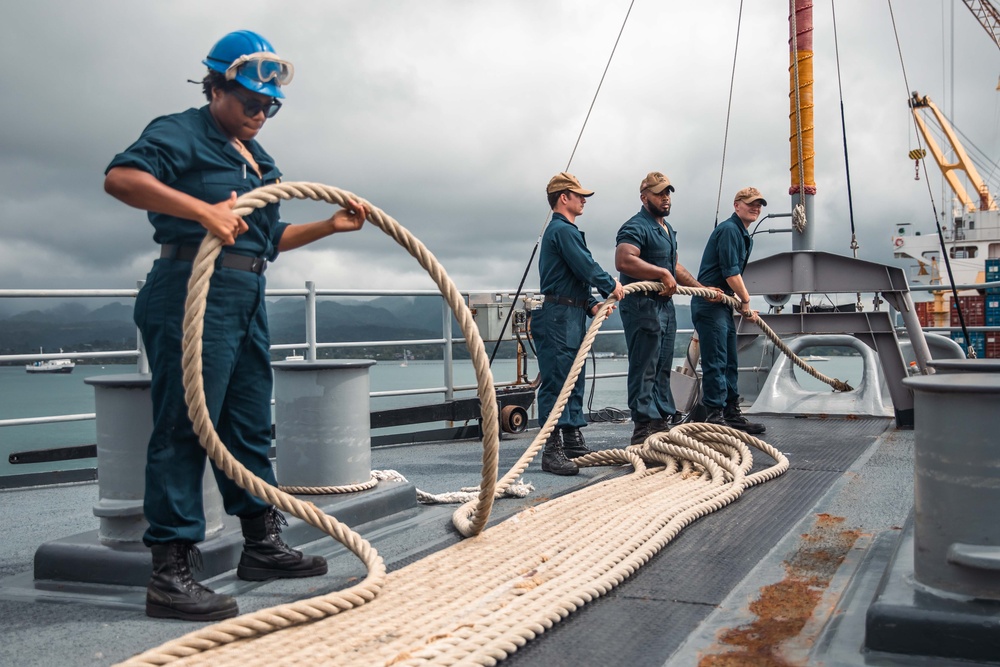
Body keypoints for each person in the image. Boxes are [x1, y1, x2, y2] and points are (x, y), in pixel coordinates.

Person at [103, 30, 368, 621]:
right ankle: (170, 572)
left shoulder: (260, 160)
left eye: (269, 106)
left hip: (247, 293)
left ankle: (262, 545)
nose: (261, 113)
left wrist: (329, 226)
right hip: (190, 292)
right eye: (250, 102)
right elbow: (121, 179)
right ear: (216, 87)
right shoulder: (180, 131)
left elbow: (271, 240)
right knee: (185, 425)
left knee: (249, 424)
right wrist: (203, 212)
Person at [615, 172, 722, 445]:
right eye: (659, 193)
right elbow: (624, 260)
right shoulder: (636, 226)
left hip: (664, 306)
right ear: (644, 197)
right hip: (642, 306)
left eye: (668, 193)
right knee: (644, 365)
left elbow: (674, 267)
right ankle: (642, 427)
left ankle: (660, 418)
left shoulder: (666, 229)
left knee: (662, 365)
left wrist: (702, 289)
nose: (665, 198)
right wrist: (661, 273)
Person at [533, 172, 624, 475]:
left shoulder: (566, 231)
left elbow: (571, 278)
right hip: (557, 317)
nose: (584, 199)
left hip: (569, 314)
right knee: (557, 382)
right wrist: (609, 285)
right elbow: (585, 267)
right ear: (564, 198)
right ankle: (551, 448)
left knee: (573, 380)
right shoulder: (562, 231)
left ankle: (571, 438)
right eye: (579, 195)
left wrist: (591, 304)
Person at [690, 187, 767, 435]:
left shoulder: (743, 235)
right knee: (716, 361)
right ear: (736, 205)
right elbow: (730, 272)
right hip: (710, 305)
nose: (756, 208)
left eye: (759, 204)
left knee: (730, 362)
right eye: (750, 203)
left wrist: (739, 301)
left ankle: (731, 413)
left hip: (723, 304)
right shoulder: (729, 230)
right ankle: (714, 414)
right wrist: (745, 299)